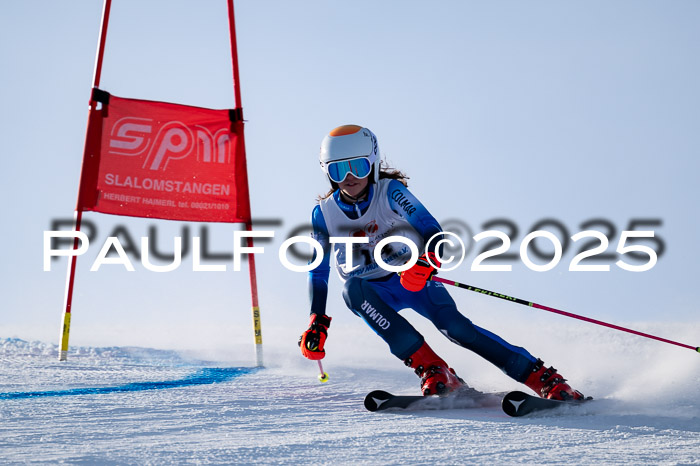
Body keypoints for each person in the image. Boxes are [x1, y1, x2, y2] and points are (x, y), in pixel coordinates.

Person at [298, 124, 584, 400]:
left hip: (411, 279)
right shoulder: (324, 213)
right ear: (327, 172)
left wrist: (426, 263)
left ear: (372, 163)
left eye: (358, 167)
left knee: (456, 328)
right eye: (338, 169)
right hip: (371, 292)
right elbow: (318, 271)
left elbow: (433, 232)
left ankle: (542, 378)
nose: (349, 177)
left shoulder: (390, 192)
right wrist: (317, 321)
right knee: (351, 290)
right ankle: (436, 371)